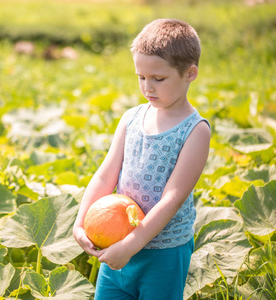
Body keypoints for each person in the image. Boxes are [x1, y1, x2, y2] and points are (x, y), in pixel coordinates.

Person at [73, 18, 211, 299]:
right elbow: (105, 175)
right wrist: (80, 222)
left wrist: (132, 245)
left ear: (190, 73)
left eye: (159, 79)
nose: (148, 87)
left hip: (164, 252)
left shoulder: (195, 131)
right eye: (141, 77)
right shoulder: (131, 118)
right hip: (116, 240)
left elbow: (171, 200)